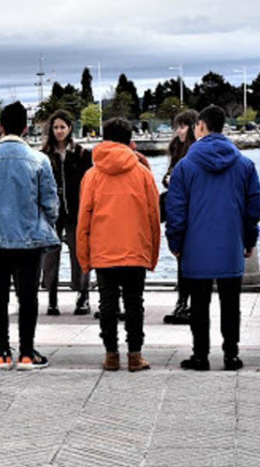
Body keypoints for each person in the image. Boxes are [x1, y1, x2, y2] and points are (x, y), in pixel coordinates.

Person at [166, 105, 260, 371]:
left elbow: (176, 210)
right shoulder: (244, 164)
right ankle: (231, 355)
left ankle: (200, 356)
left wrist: (175, 242)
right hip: (231, 244)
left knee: (199, 305)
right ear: (223, 127)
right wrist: (249, 239)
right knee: (231, 305)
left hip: (195, 248)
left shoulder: (185, 167)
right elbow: (254, 207)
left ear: (201, 126)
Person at [0, 101, 60, 371]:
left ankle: (3, 353)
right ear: (26, 128)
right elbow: (51, 204)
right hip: (30, 239)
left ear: (0, 127)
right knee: (28, 296)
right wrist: (44, 225)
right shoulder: (39, 160)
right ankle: (28, 353)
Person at [77, 118, 160, 372]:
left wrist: (84, 257)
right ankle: (135, 356)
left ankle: (111, 355)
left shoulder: (92, 176)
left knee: (107, 304)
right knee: (135, 303)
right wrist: (152, 254)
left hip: (103, 251)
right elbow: (154, 216)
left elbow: (84, 220)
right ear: (129, 140)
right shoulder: (143, 174)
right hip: (135, 249)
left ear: (104, 138)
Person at [40, 110, 93, 315]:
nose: (59, 131)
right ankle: (52, 296)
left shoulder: (81, 153)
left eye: (63, 127)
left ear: (70, 128)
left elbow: (89, 182)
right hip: (52, 212)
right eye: (55, 127)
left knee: (79, 252)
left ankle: (83, 295)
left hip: (76, 209)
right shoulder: (44, 155)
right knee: (50, 255)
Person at [161, 110, 199, 325]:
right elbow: (169, 178)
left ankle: (186, 304)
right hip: (179, 212)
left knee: (188, 259)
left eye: (183, 126)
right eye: (177, 126)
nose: (178, 131)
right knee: (182, 259)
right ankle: (183, 302)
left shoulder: (195, 153)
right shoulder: (177, 150)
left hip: (191, 213)